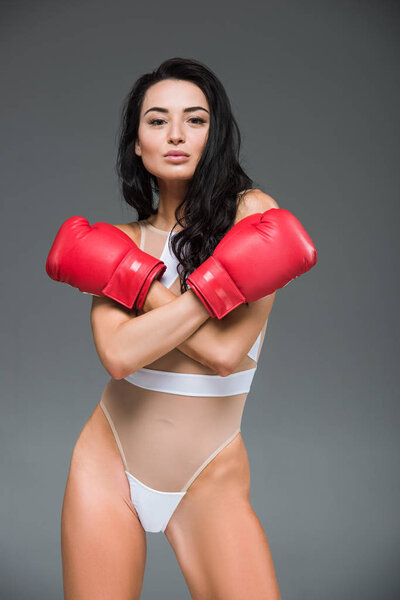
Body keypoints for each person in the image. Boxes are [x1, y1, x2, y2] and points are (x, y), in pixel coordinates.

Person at [46, 57, 317, 599]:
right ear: (136, 145)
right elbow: (119, 356)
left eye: (195, 119)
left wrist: (138, 286)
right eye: (156, 120)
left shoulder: (255, 219)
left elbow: (225, 353)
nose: (175, 134)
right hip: (109, 463)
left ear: (215, 135)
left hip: (209, 473)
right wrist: (215, 287)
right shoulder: (120, 239)